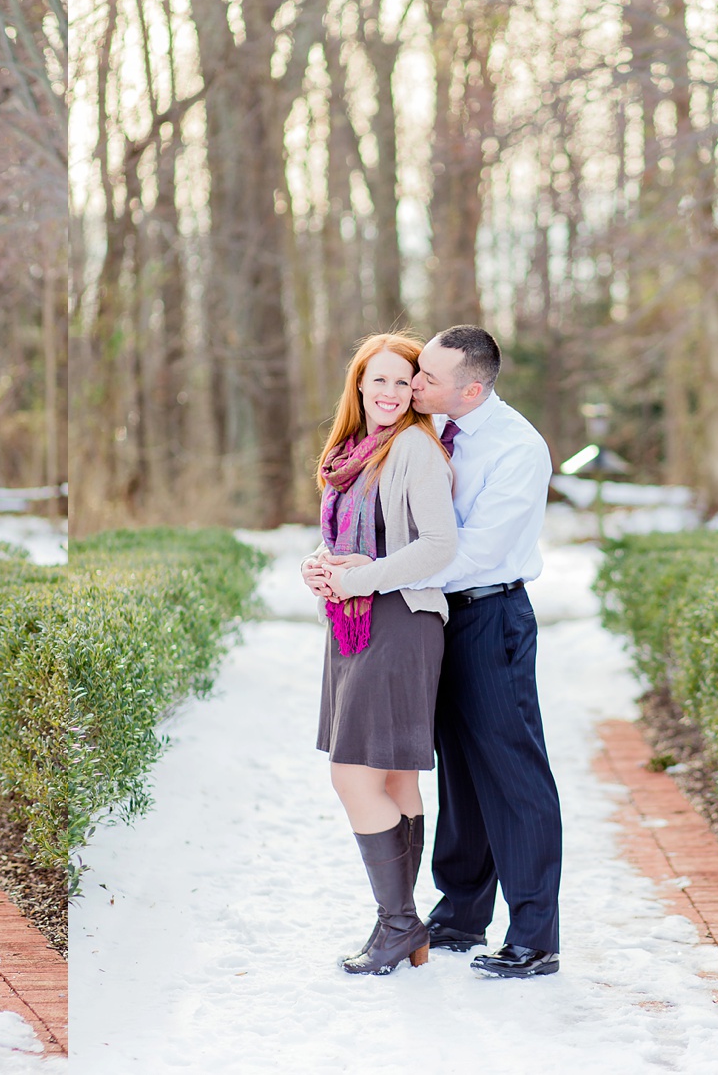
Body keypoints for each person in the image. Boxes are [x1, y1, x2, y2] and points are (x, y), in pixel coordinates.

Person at [392, 323, 562, 978]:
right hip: (439, 618)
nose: (415, 384)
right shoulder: (430, 430)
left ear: (472, 386)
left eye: (428, 377)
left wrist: (393, 574)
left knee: (513, 774)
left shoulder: (517, 448)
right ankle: (461, 913)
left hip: (492, 615)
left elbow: (480, 550)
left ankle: (535, 936)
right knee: (459, 770)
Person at [300, 333, 457, 975]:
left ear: (417, 389)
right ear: (359, 386)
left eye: (403, 381)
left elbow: (439, 546)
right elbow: (339, 545)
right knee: (394, 778)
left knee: (353, 774)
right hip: (354, 625)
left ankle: (398, 922)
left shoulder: (417, 448)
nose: (391, 393)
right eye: (379, 381)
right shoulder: (347, 455)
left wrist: (356, 579)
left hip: (399, 623)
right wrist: (318, 570)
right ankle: (402, 924)